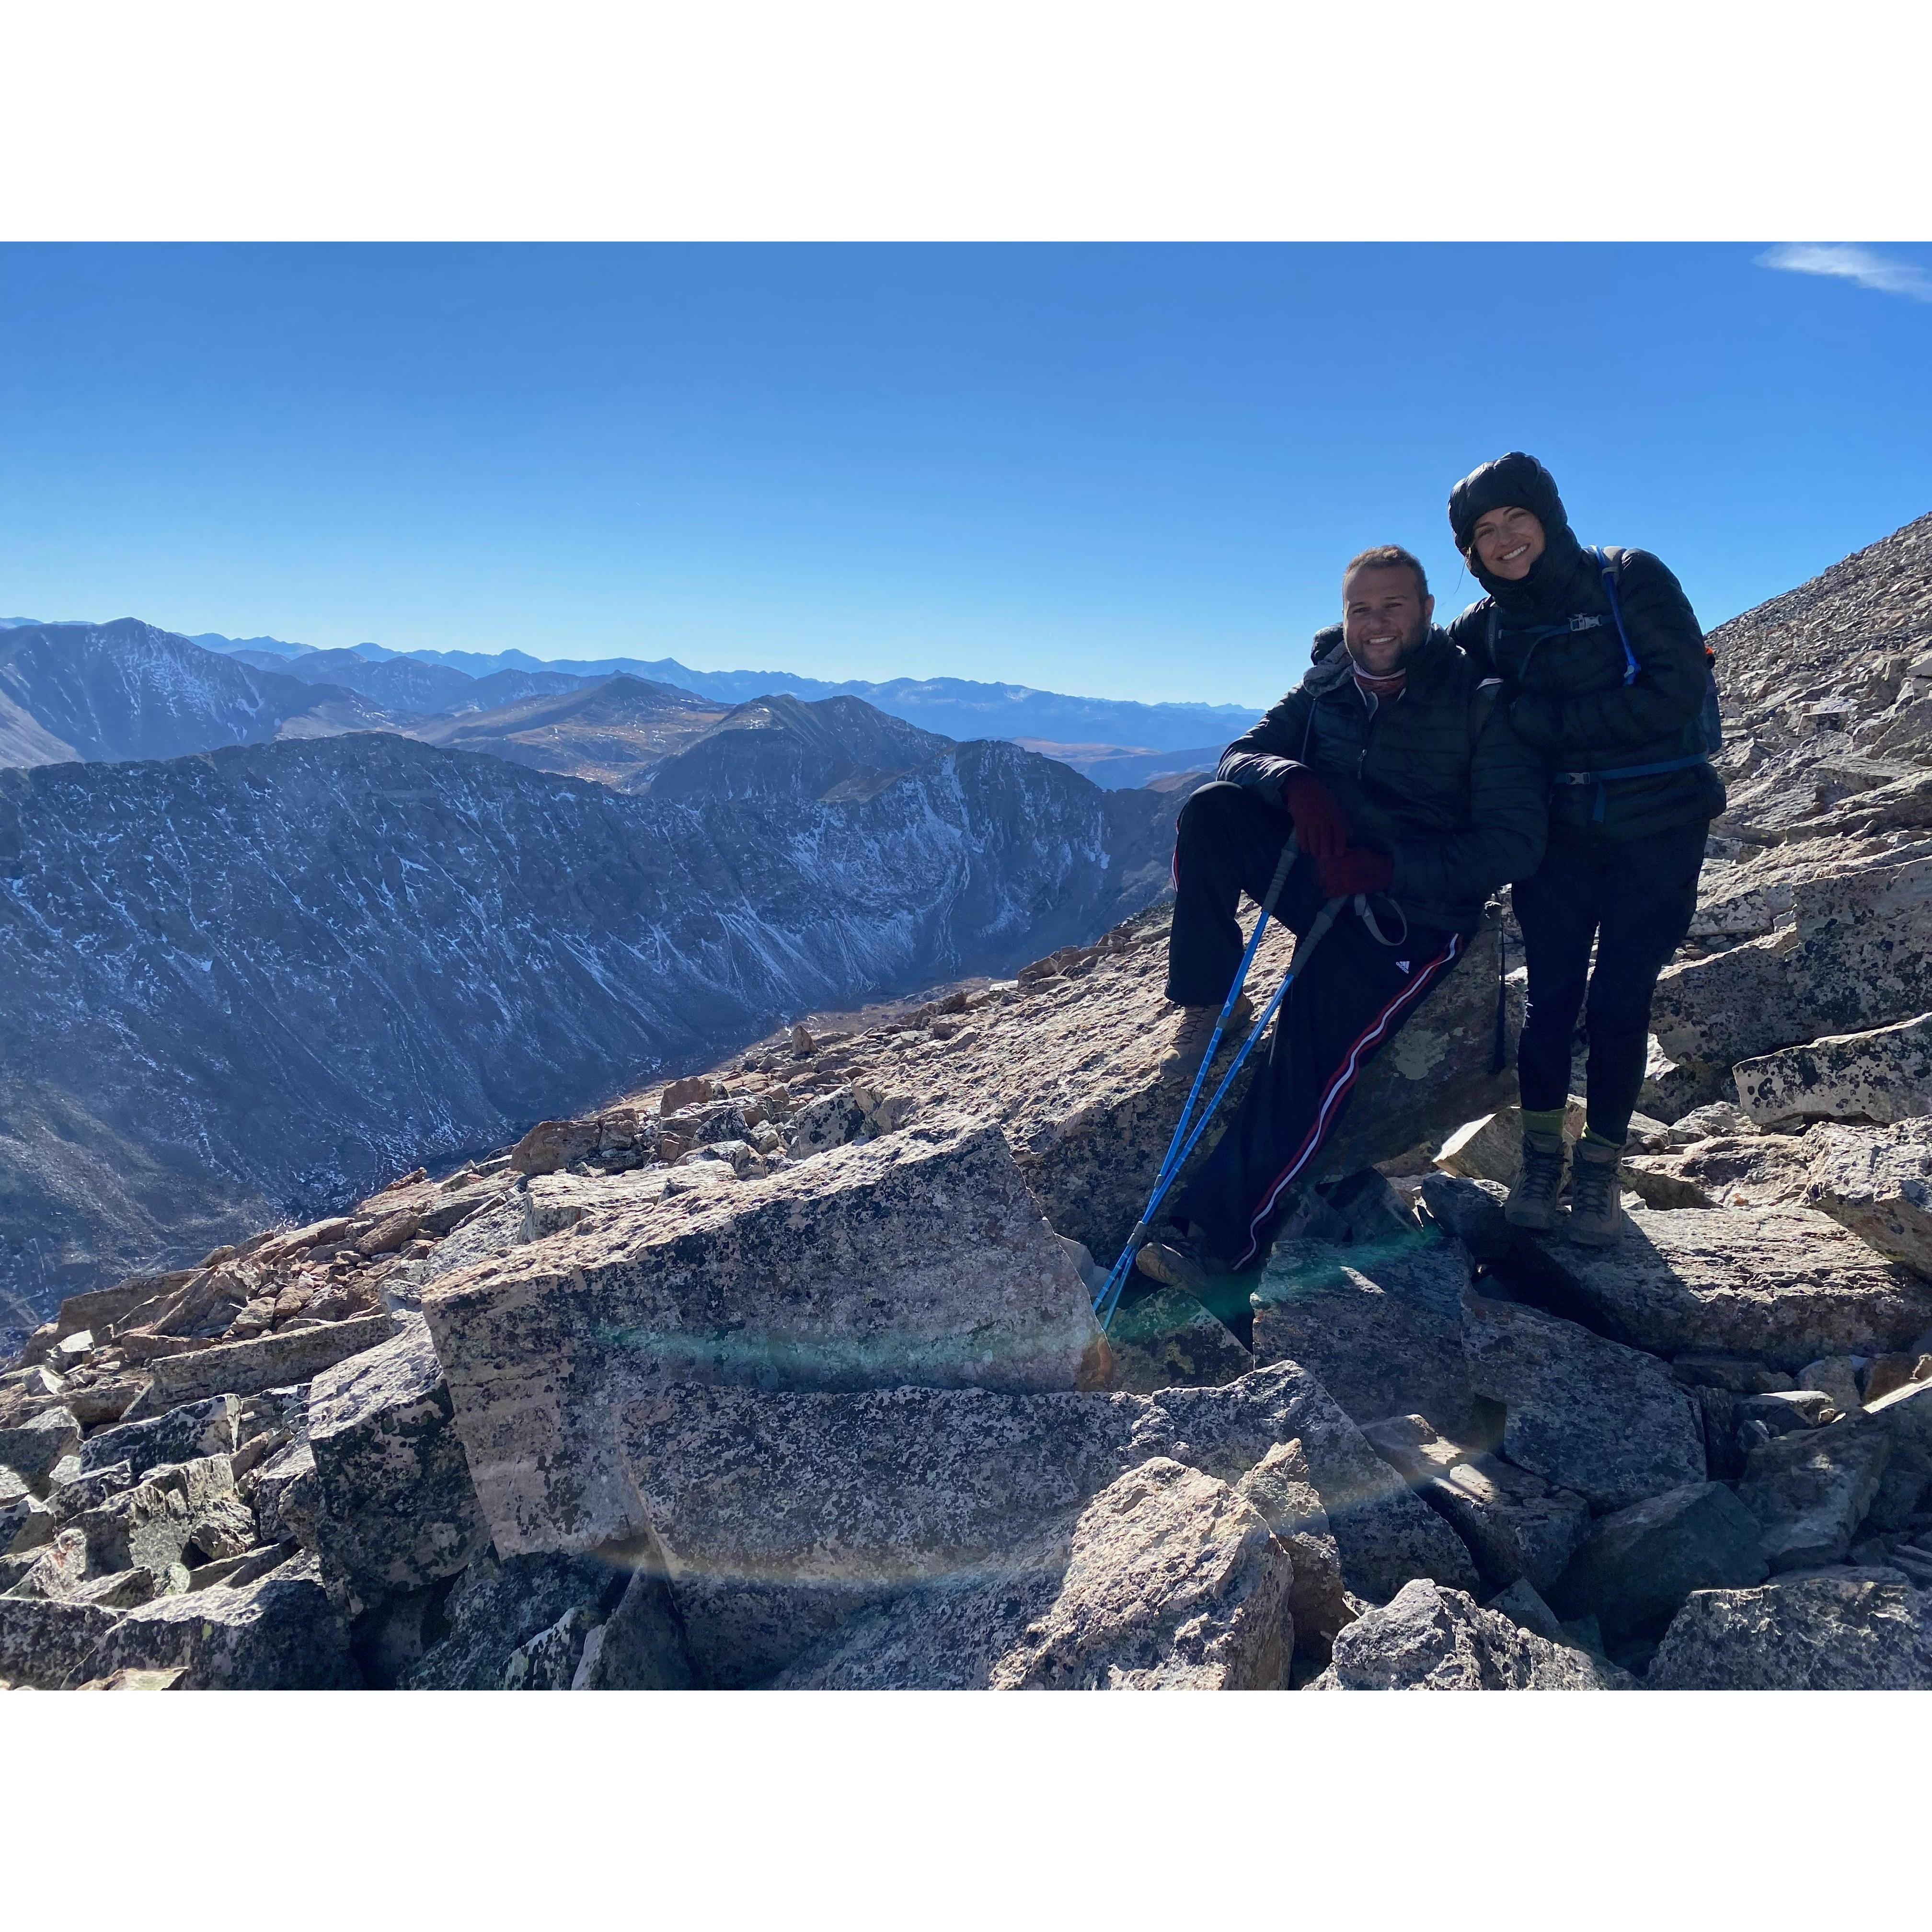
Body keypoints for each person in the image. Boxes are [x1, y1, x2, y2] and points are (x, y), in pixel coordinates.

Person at [1141, 544, 1547, 1308]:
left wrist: (1389, 867)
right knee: (1211, 813)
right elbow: (1239, 755)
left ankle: (1224, 1246)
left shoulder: (1477, 703)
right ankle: (1211, 1002)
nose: (1375, 623)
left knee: (1308, 1053)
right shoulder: (1328, 683)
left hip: (1409, 918)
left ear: (1428, 612)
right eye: (1361, 608)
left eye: (1393, 606)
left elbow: (1514, 845)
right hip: (1329, 875)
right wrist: (1290, 779)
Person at [1445, 452, 1725, 1246]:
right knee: (1551, 1000)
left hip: (1660, 830)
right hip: (1561, 839)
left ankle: (1599, 1167)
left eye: (1515, 520)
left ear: (1548, 516)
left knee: (1620, 999)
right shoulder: (1487, 625)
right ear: (1471, 552)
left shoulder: (1628, 578)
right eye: (1483, 534)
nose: (1504, 542)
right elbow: (1433, 671)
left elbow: (1671, 694)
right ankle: (1542, 1160)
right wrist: (1351, 649)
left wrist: (1534, 723)